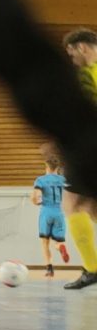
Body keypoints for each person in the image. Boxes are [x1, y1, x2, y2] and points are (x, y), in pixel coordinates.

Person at [60, 28, 97, 289]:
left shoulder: (86, 75)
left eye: (71, 53)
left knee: (72, 205)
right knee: (92, 209)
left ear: (82, 48)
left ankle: (93, 268)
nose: (71, 58)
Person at [33, 157, 70, 278]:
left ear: (47, 167)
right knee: (58, 241)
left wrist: (36, 201)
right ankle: (61, 247)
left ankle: (49, 269)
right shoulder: (64, 180)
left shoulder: (41, 180)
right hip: (59, 212)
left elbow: (36, 197)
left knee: (45, 242)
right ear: (58, 168)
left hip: (46, 212)